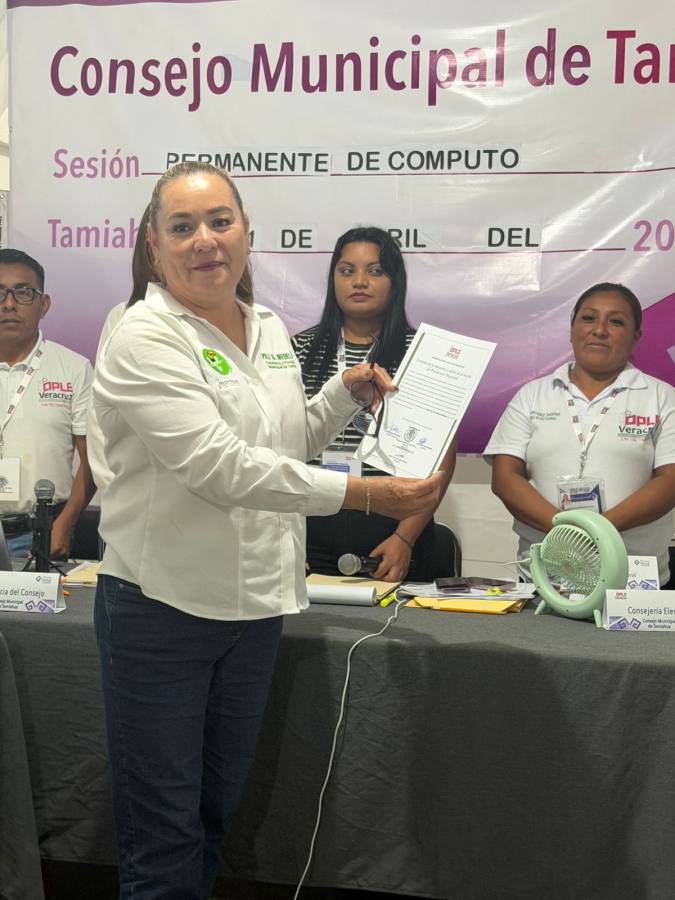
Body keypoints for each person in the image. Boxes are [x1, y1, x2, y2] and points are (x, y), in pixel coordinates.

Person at [92, 162, 445, 900]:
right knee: (163, 834)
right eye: (182, 227)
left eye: (219, 221)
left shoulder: (267, 328)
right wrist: (367, 495)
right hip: (162, 610)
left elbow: (285, 443)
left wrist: (341, 395)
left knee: (214, 815)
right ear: (154, 245)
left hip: (253, 609)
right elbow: (220, 467)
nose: (204, 240)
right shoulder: (141, 335)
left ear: (247, 232)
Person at [292, 226, 456, 582]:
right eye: (346, 270)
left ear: (395, 282)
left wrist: (404, 538)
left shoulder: (424, 354)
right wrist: (285, 536)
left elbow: (441, 458)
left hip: (392, 527)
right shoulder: (299, 350)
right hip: (309, 527)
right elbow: (279, 445)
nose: (359, 281)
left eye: (375, 270)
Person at [485, 282, 675, 588]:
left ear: (636, 336)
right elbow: (505, 478)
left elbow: (670, 481)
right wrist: (566, 531)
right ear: (572, 329)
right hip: (545, 581)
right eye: (588, 318)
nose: (599, 330)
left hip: (633, 584)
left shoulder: (661, 397)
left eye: (616, 322)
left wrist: (599, 530)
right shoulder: (532, 396)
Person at [0, 248, 95, 557]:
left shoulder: (73, 369)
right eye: (0, 293)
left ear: (44, 305)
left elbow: (92, 459)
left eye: (23, 293)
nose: (9, 304)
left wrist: (65, 524)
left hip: (40, 534)